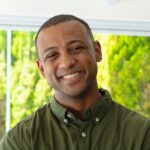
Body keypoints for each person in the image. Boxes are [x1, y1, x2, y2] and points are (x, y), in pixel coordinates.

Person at [0, 14, 150, 150]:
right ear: (41, 69)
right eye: (52, 55)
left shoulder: (142, 133)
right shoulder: (21, 140)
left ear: (97, 51)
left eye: (76, 48)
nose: (66, 63)